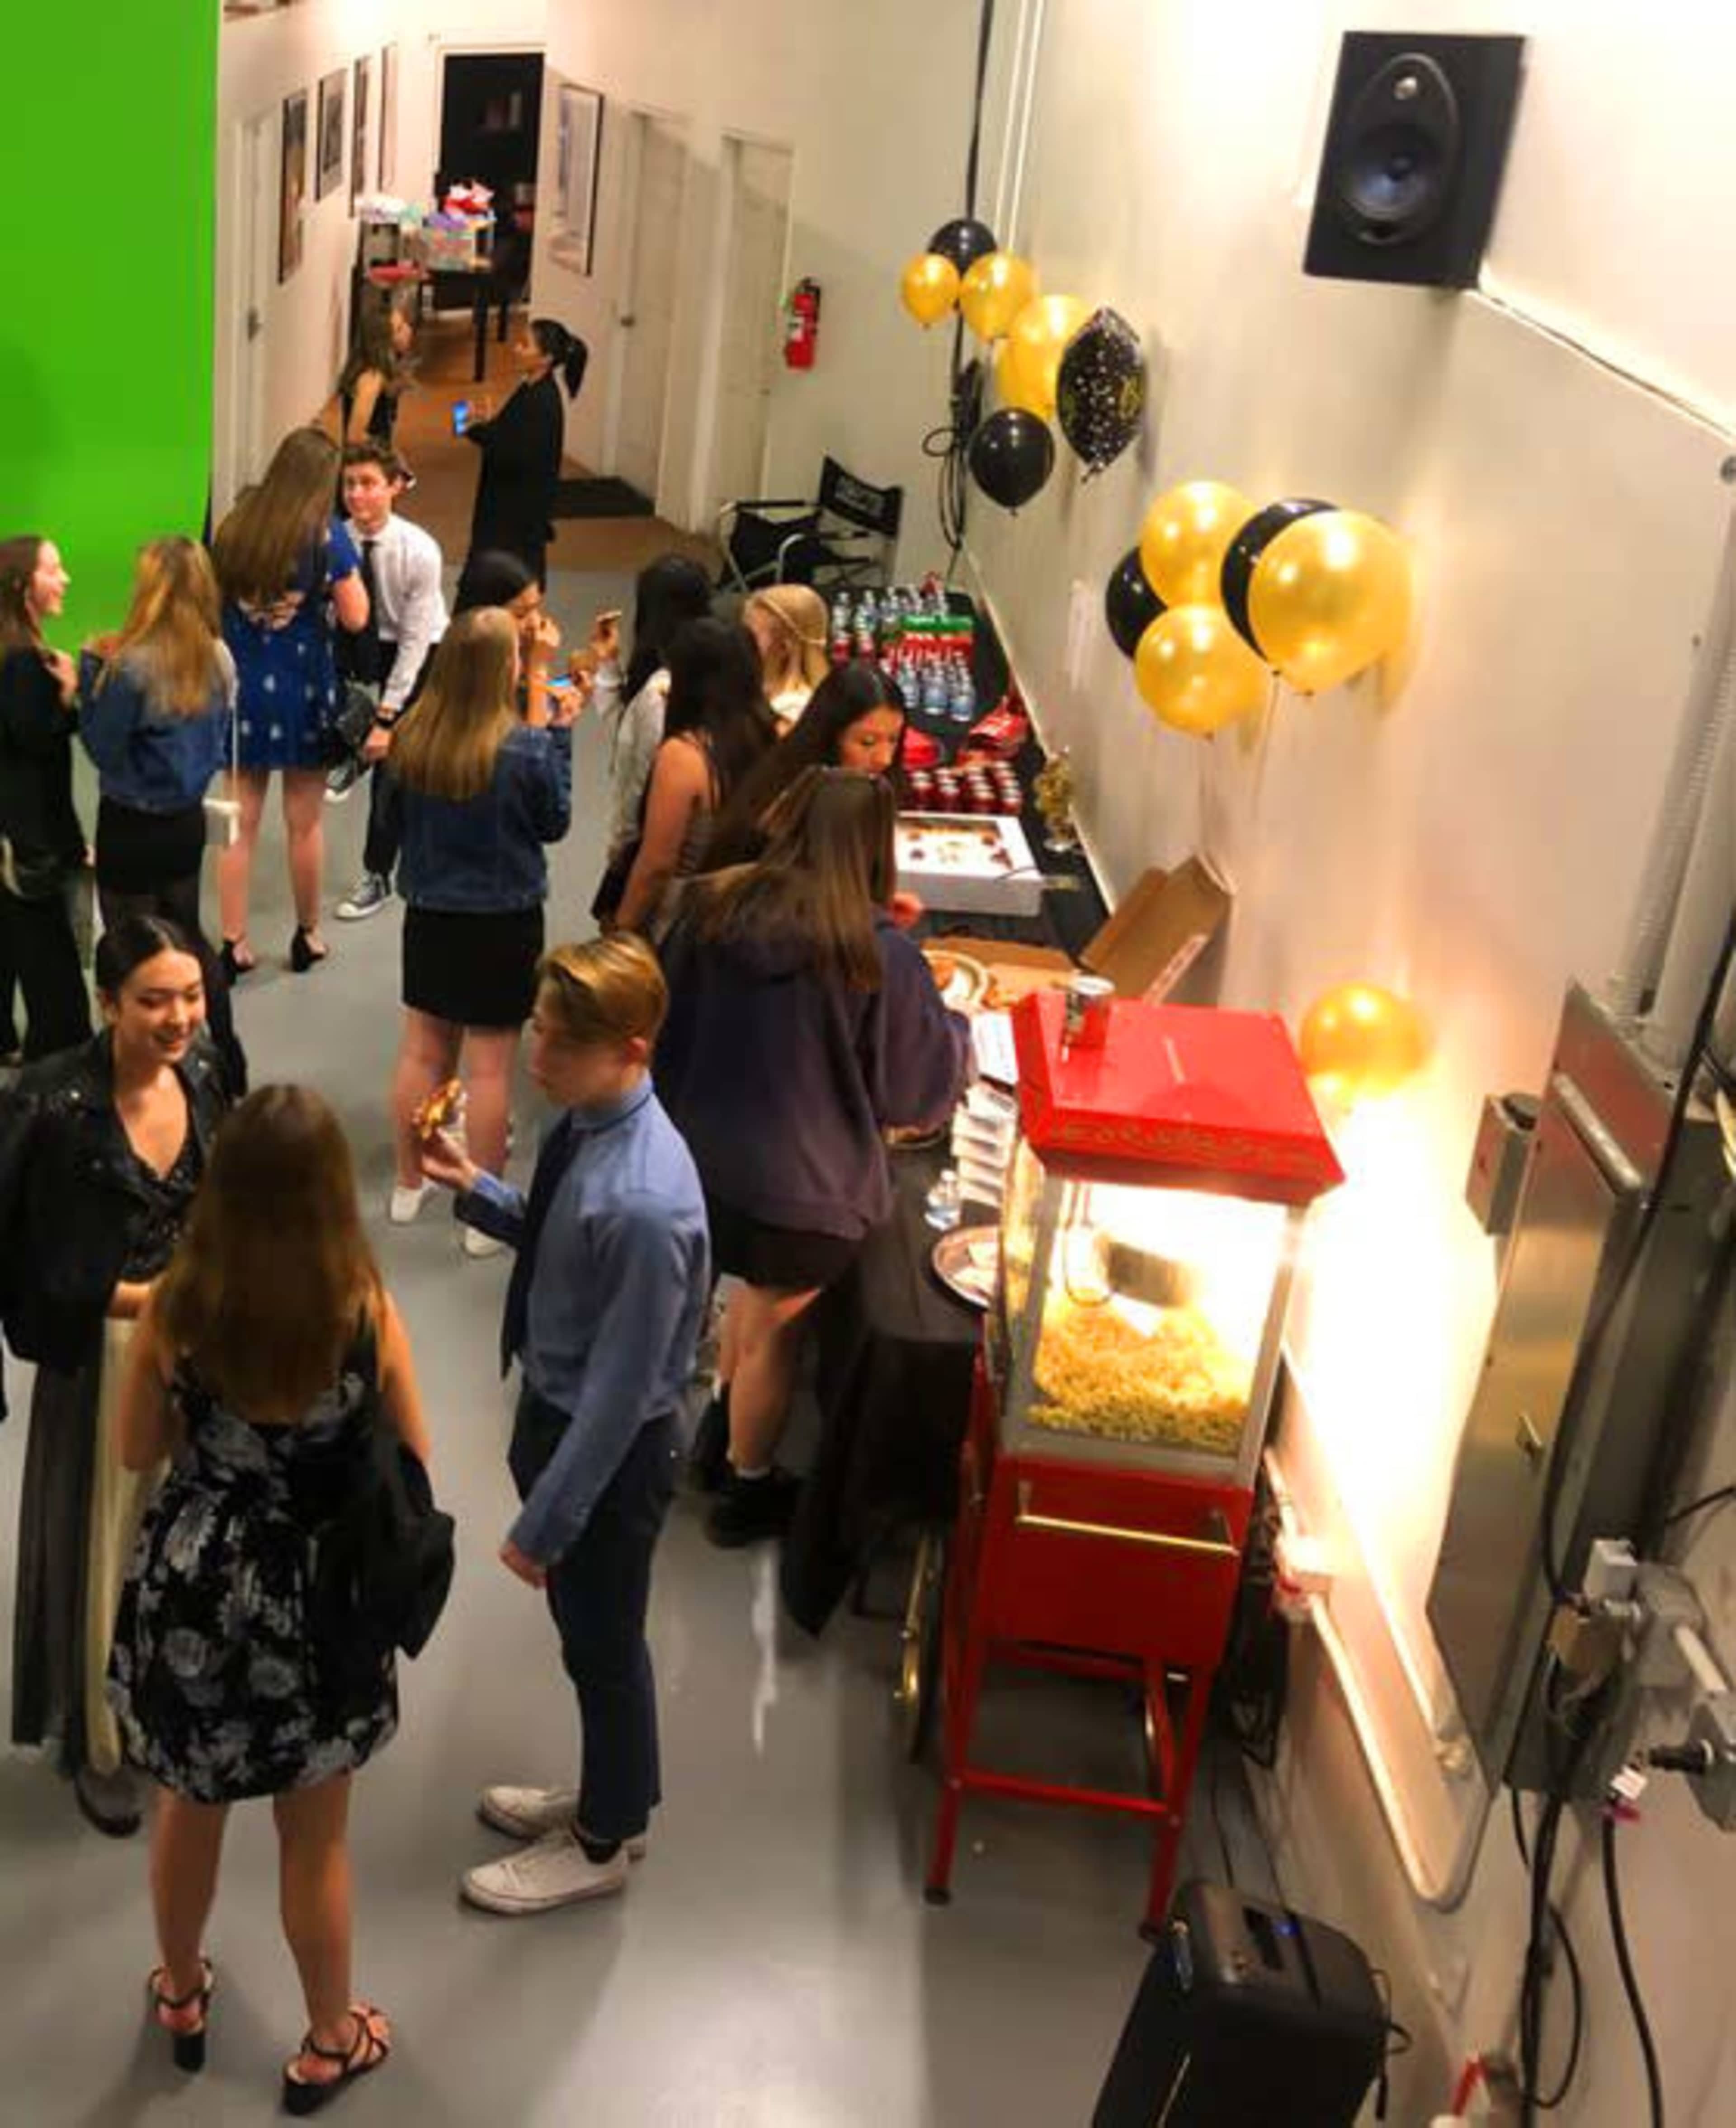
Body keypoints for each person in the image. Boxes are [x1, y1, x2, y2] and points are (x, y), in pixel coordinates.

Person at [108, 1084, 426, 2108]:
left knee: (188, 1806)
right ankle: (330, 2035)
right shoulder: (365, 1314)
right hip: (319, 1594)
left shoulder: (178, 1305)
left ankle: (182, 1989)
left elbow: (134, 1450)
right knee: (314, 1838)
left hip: (198, 1582)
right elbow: (414, 1464)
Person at [420, 936, 707, 1916]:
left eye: (558, 1044)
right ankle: (609, 1797)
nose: (535, 1058)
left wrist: (544, 1523)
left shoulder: (645, 1204)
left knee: (603, 1641)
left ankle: (603, 1840)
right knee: (591, 1637)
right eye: (538, 1030)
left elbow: (623, 1396)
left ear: (630, 1046)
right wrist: (478, 1187)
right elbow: (556, 1241)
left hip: (606, 1456)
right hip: (560, 1415)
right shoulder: (591, 1125)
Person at [657, 770, 967, 1546]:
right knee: (774, 1332)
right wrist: (947, 1017)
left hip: (696, 1160)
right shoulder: (877, 954)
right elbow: (916, 1094)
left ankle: (723, 1439)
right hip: (806, 1189)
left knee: (749, 1304)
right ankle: (749, 1487)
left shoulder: (708, 907)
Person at [0, 918, 231, 1834]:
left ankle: (187, 1702)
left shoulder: (211, 1074)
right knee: (108, 1545)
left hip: (206, 1355)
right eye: (154, 1000)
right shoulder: (51, 1103)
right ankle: (107, 1738)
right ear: (106, 1003)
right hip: (107, 1362)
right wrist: (133, 1300)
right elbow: (22, 1256)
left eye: (192, 996)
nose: (179, 1018)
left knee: (198, 1540)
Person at [382, 608, 575, 1251]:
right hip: (504, 920)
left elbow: (390, 823)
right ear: (505, 672)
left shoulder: (412, 737)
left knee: (421, 1049)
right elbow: (554, 822)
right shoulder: (524, 747)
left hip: (430, 914)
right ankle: (484, 1210)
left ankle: (410, 1182)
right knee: (490, 1066)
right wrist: (560, 734)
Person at [77, 537, 245, 1088]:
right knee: (188, 939)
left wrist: (86, 677)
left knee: (132, 955)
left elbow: (101, 745)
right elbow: (219, 743)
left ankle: (139, 1071)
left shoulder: (129, 666)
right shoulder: (218, 656)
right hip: (184, 824)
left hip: (129, 825)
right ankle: (225, 1058)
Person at [213, 427, 369, 978]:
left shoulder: (236, 525)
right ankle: (307, 935)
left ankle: (232, 943)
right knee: (306, 825)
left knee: (238, 822)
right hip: (303, 690)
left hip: (242, 692)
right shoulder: (325, 535)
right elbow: (357, 616)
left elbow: (212, 601)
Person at [330, 445, 449, 922]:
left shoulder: (420, 550)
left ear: (394, 486)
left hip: (416, 646)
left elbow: (416, 642)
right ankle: (352, 747)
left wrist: (387, 719)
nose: (357, 494)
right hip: (361, 639)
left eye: (368, 483)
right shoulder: (334, 539)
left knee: (393, 767)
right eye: (349, 484)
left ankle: (377, 873)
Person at [612, 618, 776, 939]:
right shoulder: (770, 735)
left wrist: (621, 930)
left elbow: (657, 865)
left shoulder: (685, 756)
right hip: (749, 913)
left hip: (686, 923)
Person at [584, 552, 712, 921]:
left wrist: (621, 855)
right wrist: (609, 664)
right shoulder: (678, 671)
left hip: (649, 856)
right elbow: (624, 727)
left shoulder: (664, 692)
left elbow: (643, 782)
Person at [0, 534, 90, 1061]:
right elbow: (36, 743)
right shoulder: (23, 665)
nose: (65, 579)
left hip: (15, 834)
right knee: (55, 980)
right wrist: (70, 694)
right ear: (22, 584)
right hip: (27, 841)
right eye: (53, 570)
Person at [705, 661, 908, 870]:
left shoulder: (869, 791)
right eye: (867, 742)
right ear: (830, 737)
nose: (885, 759)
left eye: (893, 740)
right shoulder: (785, 809)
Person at [464, 318, 588, 585]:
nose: (516, 349)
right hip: (512, 509)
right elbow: (509, 436)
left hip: (514, 517)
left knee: (506, 586)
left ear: (546, 358)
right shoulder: (530, 389)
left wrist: (470, 426)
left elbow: (510, 450)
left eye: (525, 345)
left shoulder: (542, 402)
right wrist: (483, 424)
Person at [742, 585, 829, 733]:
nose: (741, 642)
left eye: (751, 637)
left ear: (784, 648)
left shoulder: (789, 714)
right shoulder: (767, 697)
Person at [337, 296, 414, 454]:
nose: (408, 329)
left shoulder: (383, 368)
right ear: (383, 342)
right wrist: (387, 456)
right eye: (399, 329)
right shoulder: (371, 378)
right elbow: (355, 437)